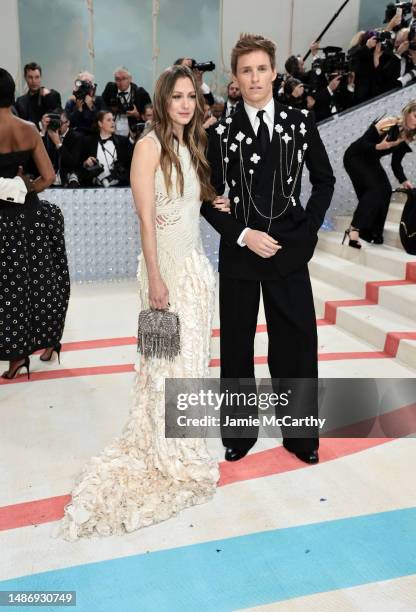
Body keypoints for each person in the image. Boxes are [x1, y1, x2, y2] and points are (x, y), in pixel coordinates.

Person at [61, 65, 220, 540]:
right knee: (163, 365)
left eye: (192, 96)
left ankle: (187, 441)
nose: (186, 104)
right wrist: (155, 277)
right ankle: (162, 444)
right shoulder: (147, 148)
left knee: (191, 361)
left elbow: (195, 203)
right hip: (164, 272)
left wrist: (221, 204)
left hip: (194, 269)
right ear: (163, 100)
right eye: (177, 97)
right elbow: (147, 222)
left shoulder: (192, 146)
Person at [201, 33, 335, 464]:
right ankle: (238, 434)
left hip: (290, 250)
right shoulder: (219, 133)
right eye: (246, 70)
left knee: (295, 343)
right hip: (241, 253)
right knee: (237, 346)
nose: (255, 77)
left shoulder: (300, 122)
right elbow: (206, 198)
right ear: (235, 79)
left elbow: (325, 180)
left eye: (262, 68)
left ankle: (301, 437)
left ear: (274, 72)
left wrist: (308, 231)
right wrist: (241, 234)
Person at [0, 68, 70, 379]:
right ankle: (49, 343)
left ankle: (17, 357)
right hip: (28, 217)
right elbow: (48, 176)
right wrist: (22, 187)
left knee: (9, 290)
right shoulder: (28, 129)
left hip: (2, 219)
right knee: (41, 284)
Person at [343, 101, 416, 247]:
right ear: (408, 113)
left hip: (371, 160)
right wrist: (379, 146)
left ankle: (372, 231)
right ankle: (354, 229)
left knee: (386, 190)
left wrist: (404, 180)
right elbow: (362, 144)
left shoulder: (406, 137)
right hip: (355, 156)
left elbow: (396, 164)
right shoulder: (389, 123)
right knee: (375, 190)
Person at [81, 110, 132, 187]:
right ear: (100, 124)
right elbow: (79, 165)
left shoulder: (123, 141)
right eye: (109, 120)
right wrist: (86, 163)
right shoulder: (88, 142)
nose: (113, 123)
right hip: (95, 188)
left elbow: (130, 164)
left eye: (113, 120)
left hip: (121, 186)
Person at [101, 67, 151, 137]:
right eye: (117, 79)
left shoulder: (140, 93)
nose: (121, 82)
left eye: (124, 78)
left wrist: (137, 115)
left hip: (133, 133)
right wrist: (111, 111)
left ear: (130, 79)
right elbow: (101, 108)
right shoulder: (110, 89)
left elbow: (150, 116)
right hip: (113, 132)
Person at [40, 110, 82, 187]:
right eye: (55, 123)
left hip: (68, 182)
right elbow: (39, 157)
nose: (58, 126)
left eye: (60, 123)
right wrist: (43, 131)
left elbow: (72, 163)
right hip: (49, 181)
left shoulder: (77, 137)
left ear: (68, 123)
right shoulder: (48, 135)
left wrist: (58, 143)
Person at [14, 62, 61, 128]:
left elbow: (58, 112)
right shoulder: (20, 102)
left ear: (41, 77)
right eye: (30, 77)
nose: (34, 81)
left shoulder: (50, 95)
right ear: (25, 78)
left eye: (37, 77)